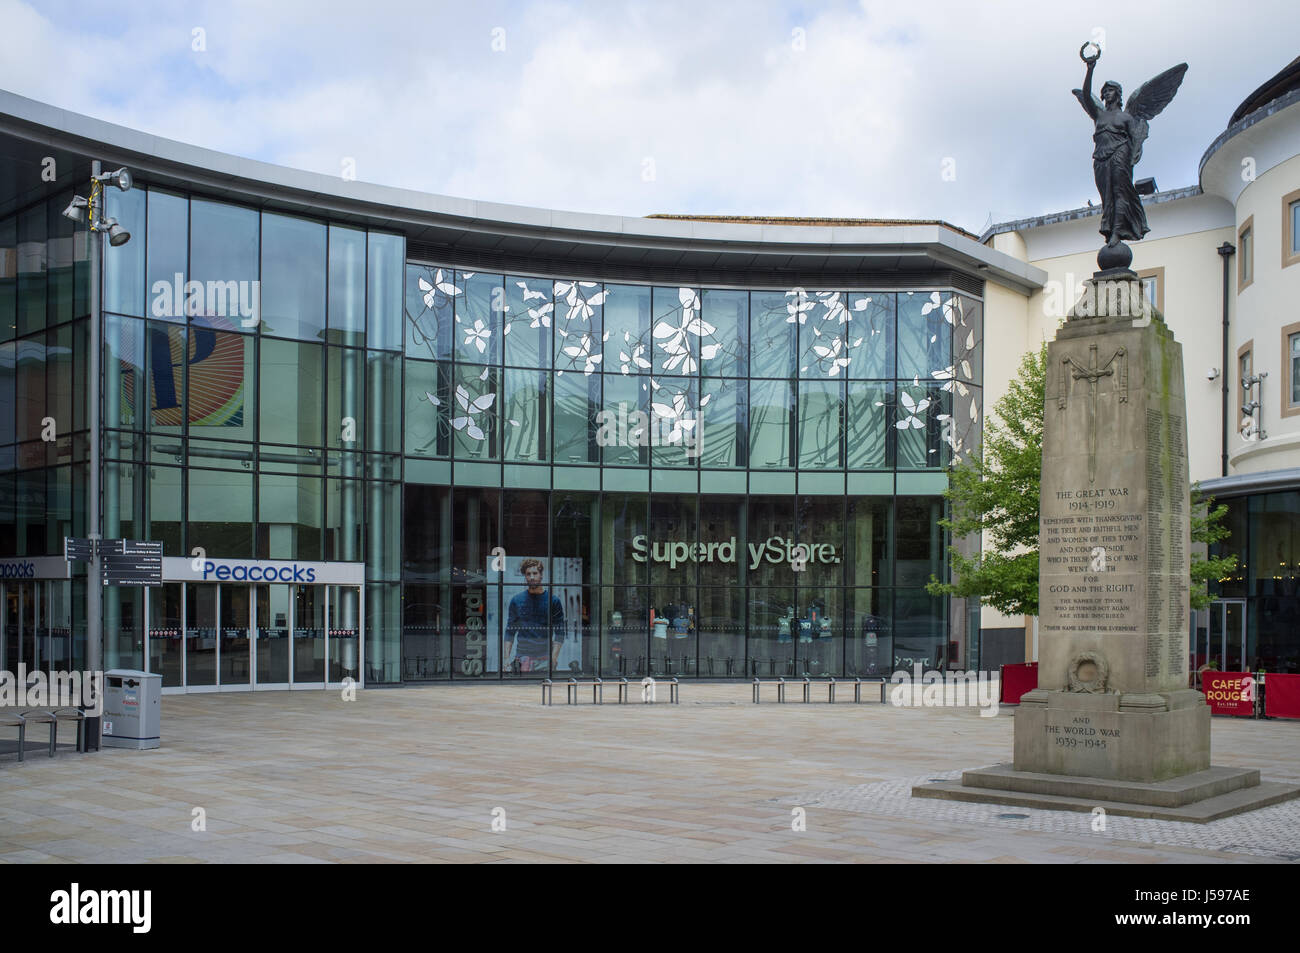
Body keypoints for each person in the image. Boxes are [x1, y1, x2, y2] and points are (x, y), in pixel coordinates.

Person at [505, 559, 565, 673]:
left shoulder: (553, 601)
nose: (532, 577)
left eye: (535, 573)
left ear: (541, 575)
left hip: (545, 658)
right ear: (525, 576)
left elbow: (560, 633)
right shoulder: (516, 600)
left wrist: (553, 658)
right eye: (528, 574)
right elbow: (509, 632)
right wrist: (506, 659)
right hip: (523, 657)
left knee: (546, 689)